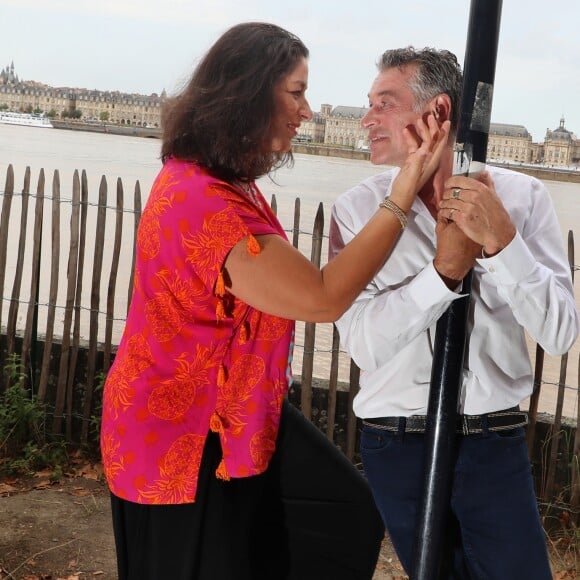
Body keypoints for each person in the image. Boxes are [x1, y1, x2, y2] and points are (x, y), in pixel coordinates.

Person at [100, 25, 450, 580]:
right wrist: (405, 188)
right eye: (296, 91)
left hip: (232, 410)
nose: (307, 110)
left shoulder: (227, 182)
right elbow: (322, 297)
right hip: (181, 434)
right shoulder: (203, 202)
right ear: (249, 91)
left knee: (346, 513)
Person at [329, 46, 579, 579]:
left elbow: (559, 332)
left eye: (384, 103)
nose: (367, 118)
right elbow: (364, 345)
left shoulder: (523, 197)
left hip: (494, 441)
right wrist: (442, 273)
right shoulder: (355, 210)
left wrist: (503, 243)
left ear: (438, 113)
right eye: (368, 104)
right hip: (395, 443)